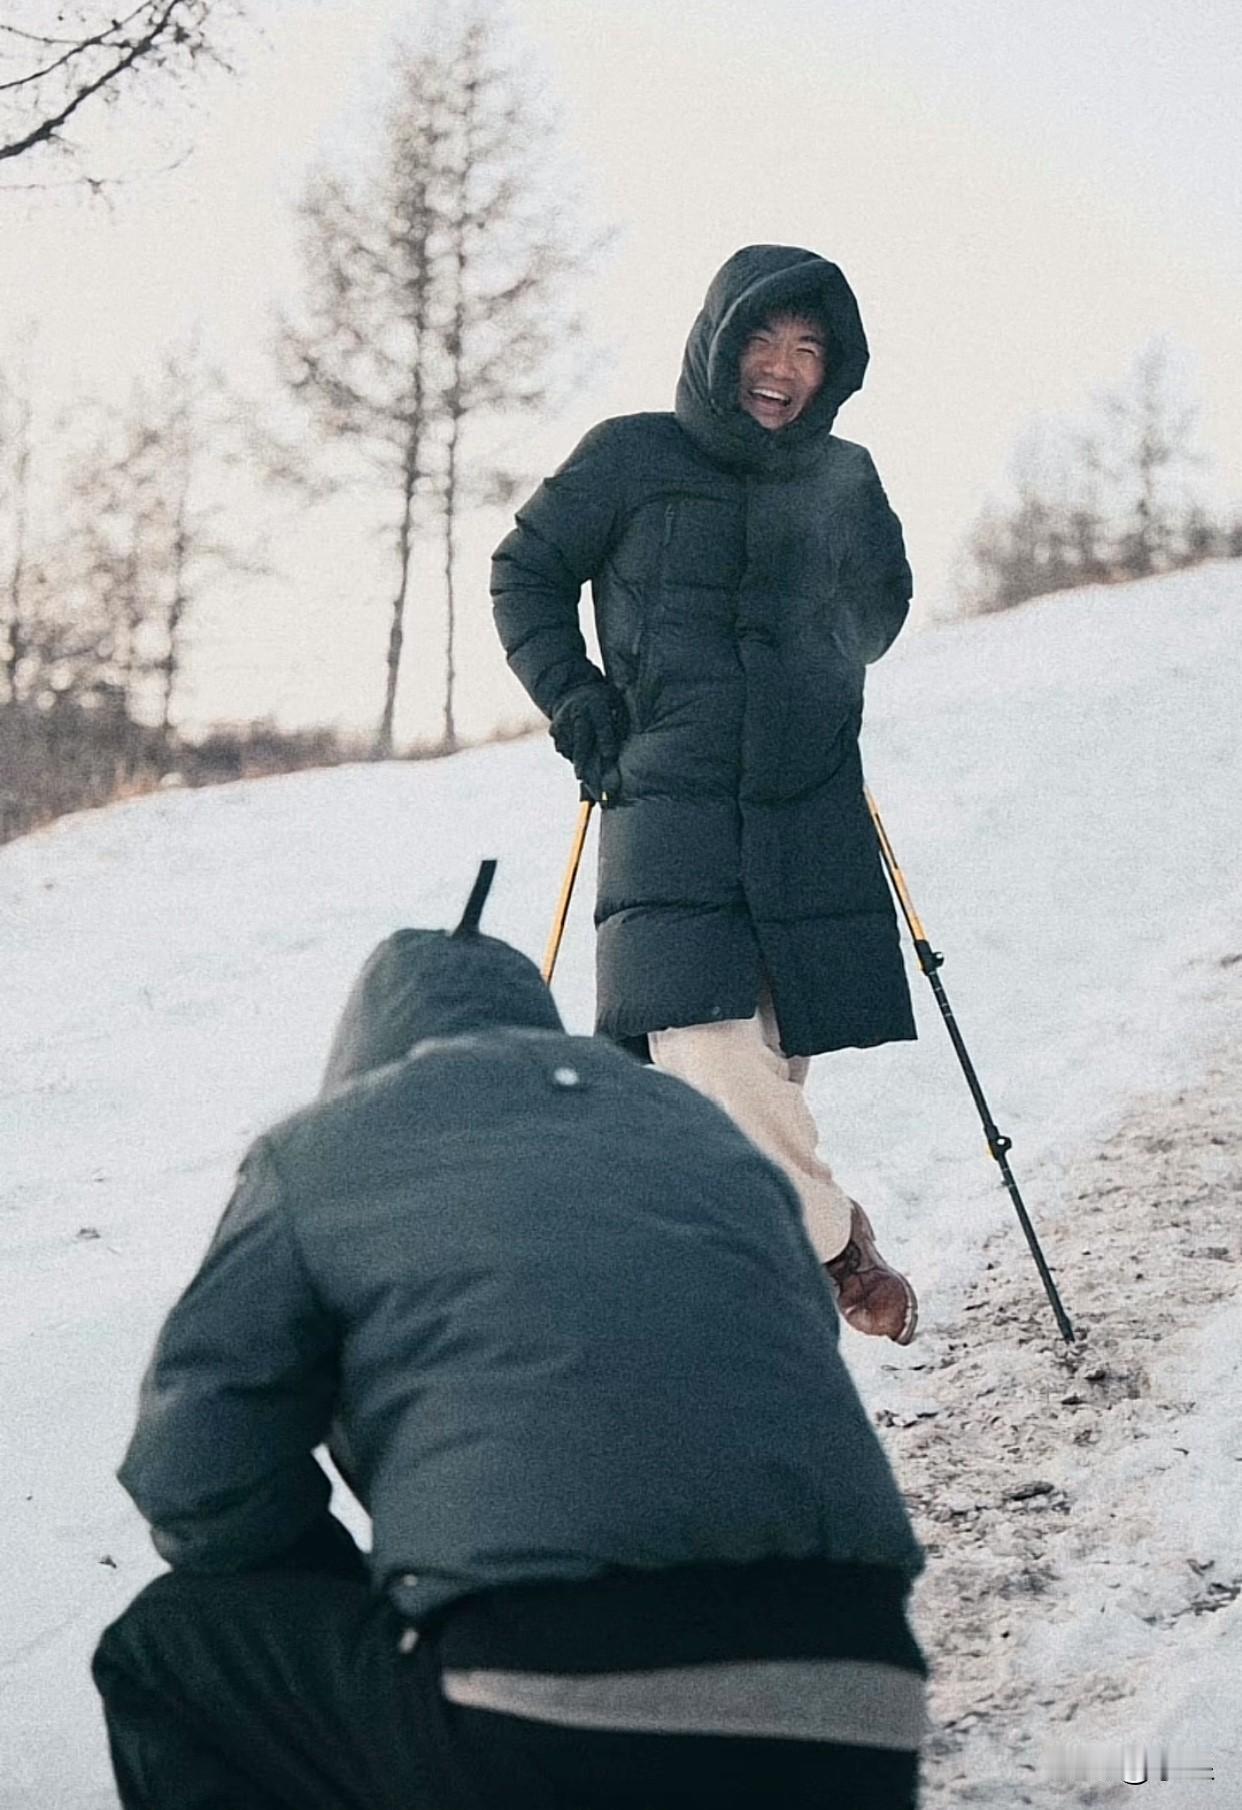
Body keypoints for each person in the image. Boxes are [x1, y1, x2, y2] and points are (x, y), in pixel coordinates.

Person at [92, 869, 927, 1810]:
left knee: (169, 1649)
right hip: (862, 1707)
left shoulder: (326, 1149)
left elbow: (196, 1473)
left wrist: (348, 1588)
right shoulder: (698, 1131)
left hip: (546, 1713)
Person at [492, 242, 920, 1344]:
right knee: (705, 1043)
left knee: (759, 1075)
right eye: (763, 341)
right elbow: (524, 571)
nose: (782, 366)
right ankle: (835, 1246)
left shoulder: (843, 474)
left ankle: (746, 1321)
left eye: (809, 349)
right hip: (668, 799)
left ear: (835, 369)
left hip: (806, 804)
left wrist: (853, 557)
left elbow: (876, 620)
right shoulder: (632, 457)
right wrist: (574, 695)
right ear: (719, 344)